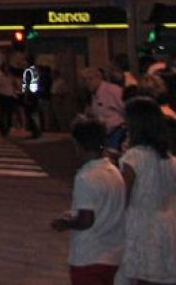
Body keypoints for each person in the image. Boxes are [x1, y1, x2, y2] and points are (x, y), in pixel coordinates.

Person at [118, 96, 176, 285]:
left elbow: (123, 196)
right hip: (166, 222)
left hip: (141, 223)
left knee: (140, 275)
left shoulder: (134, 158)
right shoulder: (169, 159)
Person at [51, 115, 124, 285]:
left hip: (89, 256)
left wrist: (66, 223)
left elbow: (86, 220)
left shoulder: (86, 177)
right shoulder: (113, 171)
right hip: (113, 255)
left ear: (78, 145)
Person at [83, 67, 126, 149]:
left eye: (90, 79)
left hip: (118, 133)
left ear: (99, 78)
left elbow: (125, 109)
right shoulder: (93, 94)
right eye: (85, 80)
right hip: (104, 134)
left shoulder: (113, 90)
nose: (87, 82)